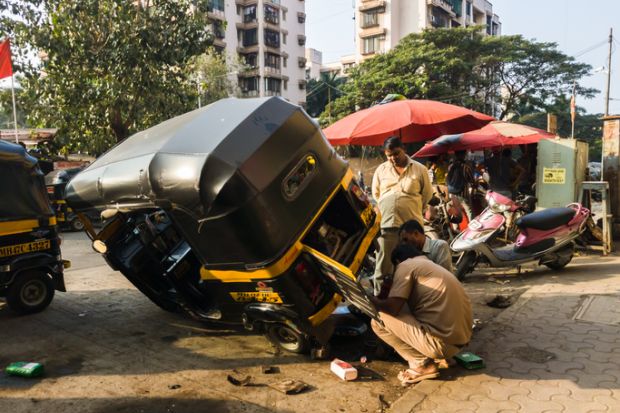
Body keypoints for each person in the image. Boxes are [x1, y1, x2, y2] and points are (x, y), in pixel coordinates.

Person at [370, 243, 473, 386]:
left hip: (441, 346)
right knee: (409, 310)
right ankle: (442, 356)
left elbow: (393, 308)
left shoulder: (406, 266)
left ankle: (423, 364)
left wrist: (373, 301)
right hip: (460, 342)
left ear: (398, 262)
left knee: (378, 319)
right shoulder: (432, 267)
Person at [371, 136, 433, 296]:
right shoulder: (381, 170)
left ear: (403, 149)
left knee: (412, 266)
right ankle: (381, 303)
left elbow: (426, 195)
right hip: (387, 227)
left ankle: (413, 301)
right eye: (389, 155)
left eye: (396, 154)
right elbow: (376, 195)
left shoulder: (420, 169)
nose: (393, 158)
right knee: (384, 267)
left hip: (411, 229)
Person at [446, 150, 475, 220]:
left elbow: (448, 178)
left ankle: (456, 228)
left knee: (456, 211)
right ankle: (472, 228)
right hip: (463, 193)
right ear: (463, 155)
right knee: (469, 211)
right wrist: (474, 184)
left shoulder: (450, 166)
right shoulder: (466, 167)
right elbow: (471, 180)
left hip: (453, 193)